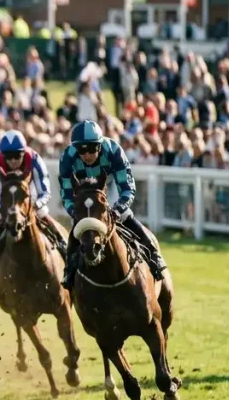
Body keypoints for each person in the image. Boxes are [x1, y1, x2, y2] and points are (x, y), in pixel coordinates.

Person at [58, 120, 168, 287]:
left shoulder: (113, 151)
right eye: (81, 150)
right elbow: (66, 195)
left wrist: (117, 210)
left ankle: (154, 256)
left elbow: (127, 189)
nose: (87, 155)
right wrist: (76, 213)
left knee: (126, 216)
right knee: (78, 227)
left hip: (110, 186)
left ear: (99, 145)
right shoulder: (67, 157)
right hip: (85, 192)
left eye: (92, 149)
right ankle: (69, 271)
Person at [0, 130, 66, 269]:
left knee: (43, 214)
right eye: (8, 157)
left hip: (30, 194)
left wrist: (34, 206)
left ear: (24, 153)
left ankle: (63, 246)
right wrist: (4, 209)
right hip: (8, 197)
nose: (13, 161)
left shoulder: (34, 159)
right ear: (3, 156)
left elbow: (45, 192)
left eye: (17, 156)